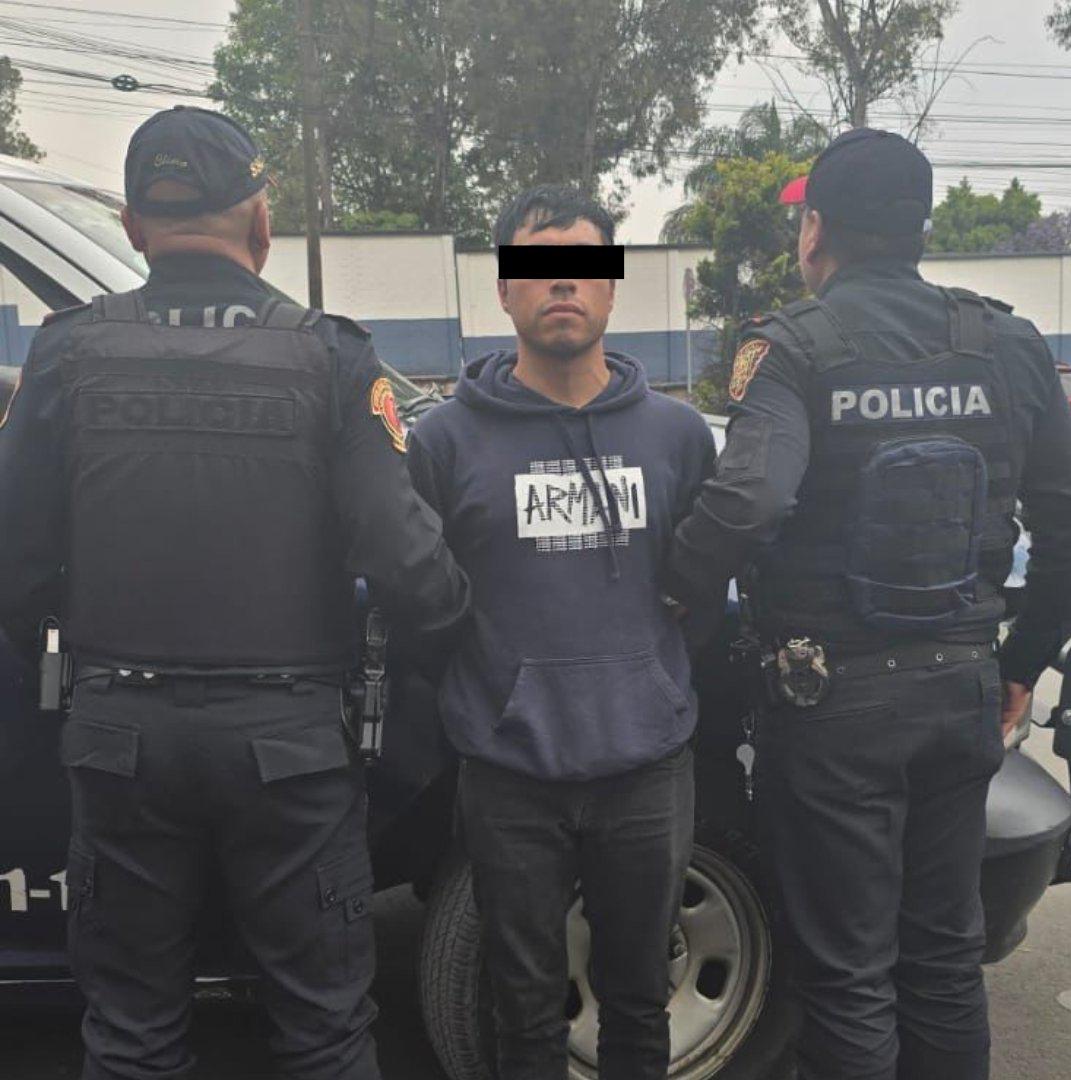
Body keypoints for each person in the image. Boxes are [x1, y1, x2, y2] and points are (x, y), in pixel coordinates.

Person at [0, 106, 469, 1080]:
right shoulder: (331, 356)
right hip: (289, 749)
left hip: (119, 737)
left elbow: (13, 558)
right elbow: (405, 562)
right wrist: (453, 642)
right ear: (260, 219)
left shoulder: (68, 352)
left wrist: (76, 656)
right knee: (324, 1032)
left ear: (134, 226)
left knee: (130, 1033)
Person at [667, 128, 1071, 1080]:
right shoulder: (1007, 342)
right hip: (961, 692)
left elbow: (749, 500)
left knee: (850, 975)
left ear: (815, 230)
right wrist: (1021, 664)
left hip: (833, 709)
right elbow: (1069, 524)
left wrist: (673, 594)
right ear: (919, 226)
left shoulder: (791, 348)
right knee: (944, 960)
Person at [407, 185, 716, 1080]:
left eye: (583, 266)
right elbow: (421, 605)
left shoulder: (678, 436)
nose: (563, 285)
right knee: (524, 1009)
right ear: (505, 290)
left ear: (612, 286)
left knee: (638, 1003)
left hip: (647, 767)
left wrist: (649, 684)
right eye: (538, 269)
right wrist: (493, 694)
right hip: (509, 774)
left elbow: (701, 591)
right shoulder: (443, 442)